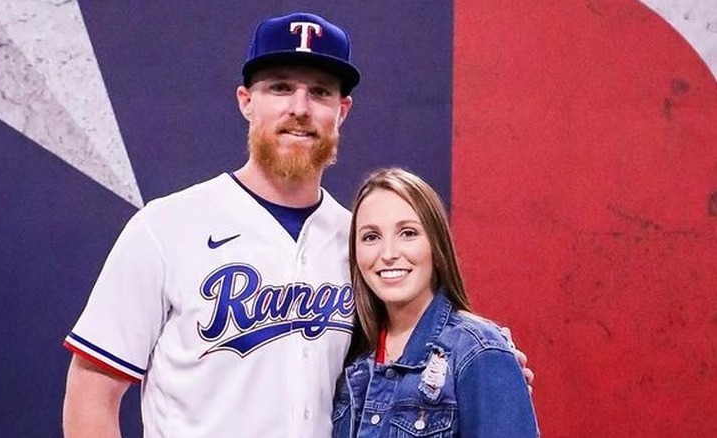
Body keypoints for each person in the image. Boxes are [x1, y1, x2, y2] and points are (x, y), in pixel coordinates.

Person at [62, 12, 533, 438]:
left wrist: (485, 372)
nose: (300, 108)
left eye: (320, 92)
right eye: (281, 87)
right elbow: (92, 393)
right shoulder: (166, 228)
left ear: (341, 111)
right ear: (247, 101)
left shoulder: (361, 244)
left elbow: (416, 356)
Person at [332, 168, 539, 437]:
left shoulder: (478, 351)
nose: (389, 254)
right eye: (371, 237)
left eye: (407, 233)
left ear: (435, 243)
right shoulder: (352, 360)